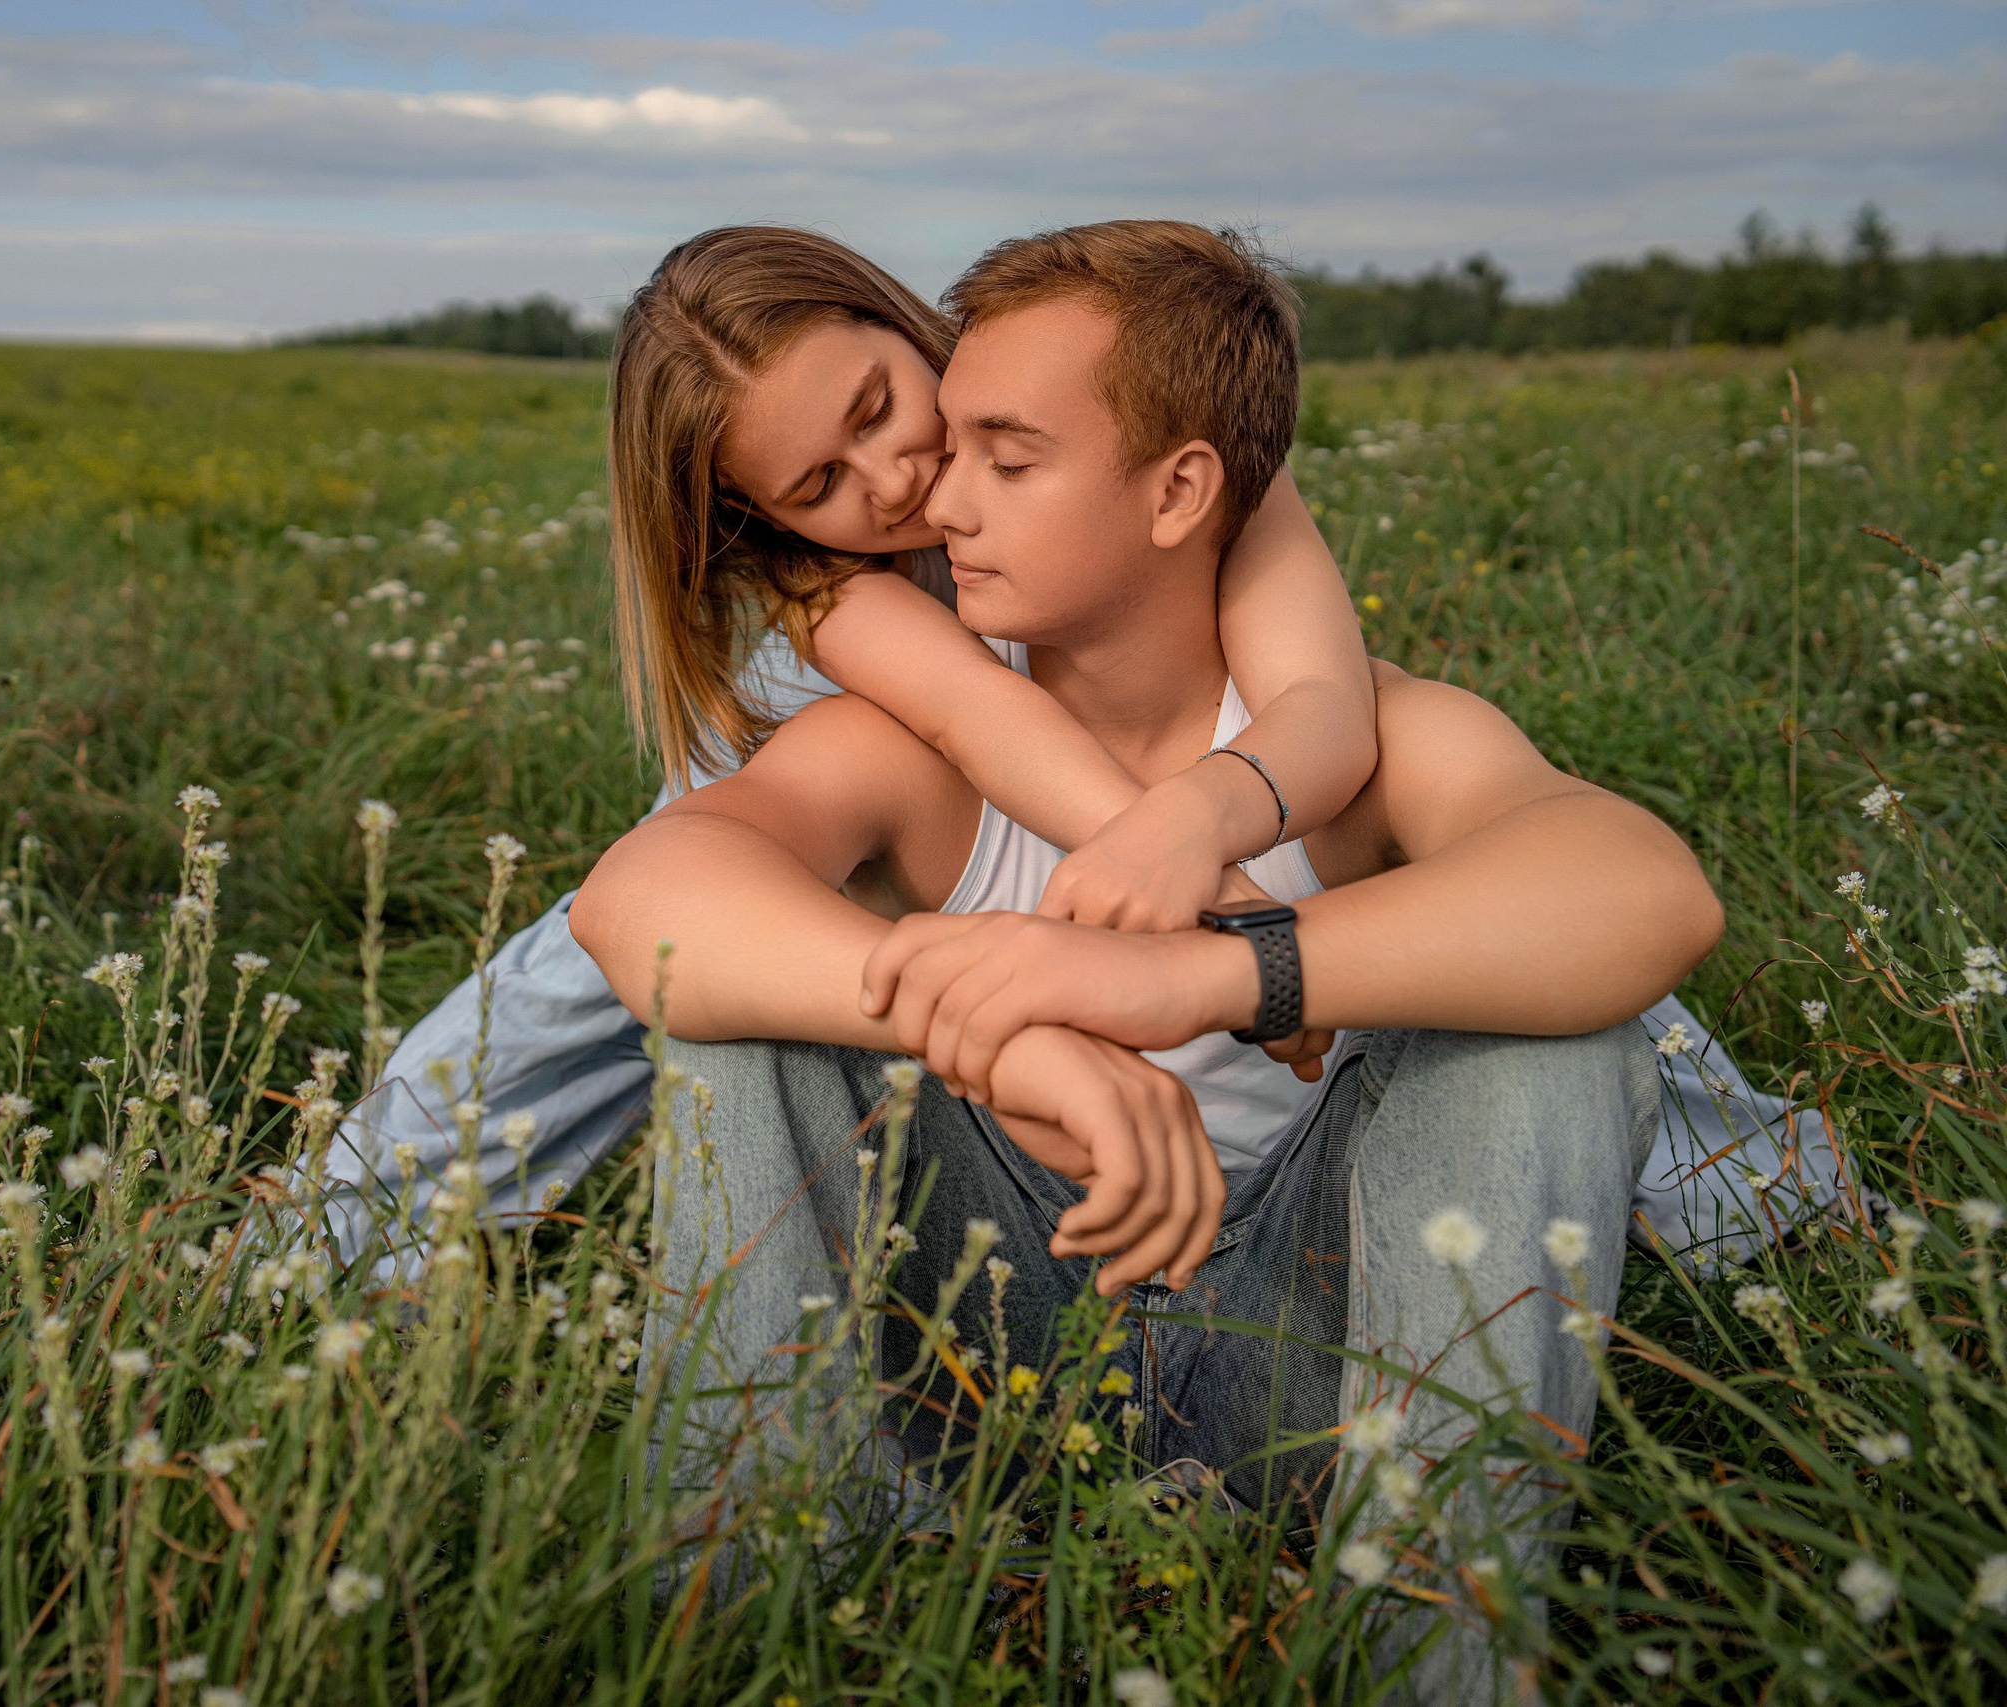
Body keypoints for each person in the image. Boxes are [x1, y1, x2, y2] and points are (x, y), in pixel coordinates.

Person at [567, 220, 1723, 1704]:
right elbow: (633, 902)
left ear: (1181, 488)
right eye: (856, 477)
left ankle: (1430, 1659)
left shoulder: (1361, 730)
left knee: (1560, 1029)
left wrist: (1211, 975)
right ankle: (748, 1624)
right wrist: (1006, 1030)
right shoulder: (905, 729)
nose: (929, 498)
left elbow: (1645, 895)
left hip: (1315, 1353)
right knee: (731, 1010)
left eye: (1003, 454)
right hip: (994, 1349)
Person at [318, 227, 1833, 1277]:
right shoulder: (830, 595)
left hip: (1138, 774)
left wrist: (1222, 861)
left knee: (1489, 913)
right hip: (910, 774)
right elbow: (991, 721)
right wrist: (1219, 903)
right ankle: (346, 1218)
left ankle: (1756, 1195)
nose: (899, 472)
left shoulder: (1149, 443)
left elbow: (1327, 708)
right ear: (768, 521)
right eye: (823, 479)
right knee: (616, 950)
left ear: (904, 324)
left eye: (879, 404)